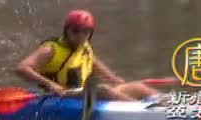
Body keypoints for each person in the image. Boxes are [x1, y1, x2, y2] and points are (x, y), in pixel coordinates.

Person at [15, 10, 159, 101]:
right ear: (67, 31)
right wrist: (51, 85)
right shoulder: (51, 49)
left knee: (138, 87)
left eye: (86, 31)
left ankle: (165, 103)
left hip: (81, 93)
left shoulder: (84, 47)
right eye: (75, 31)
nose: (80, 35)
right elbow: (22, 68)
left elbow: (94, 63)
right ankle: (142, 111)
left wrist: (113, 79)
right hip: (61, 96)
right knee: (102, 90)